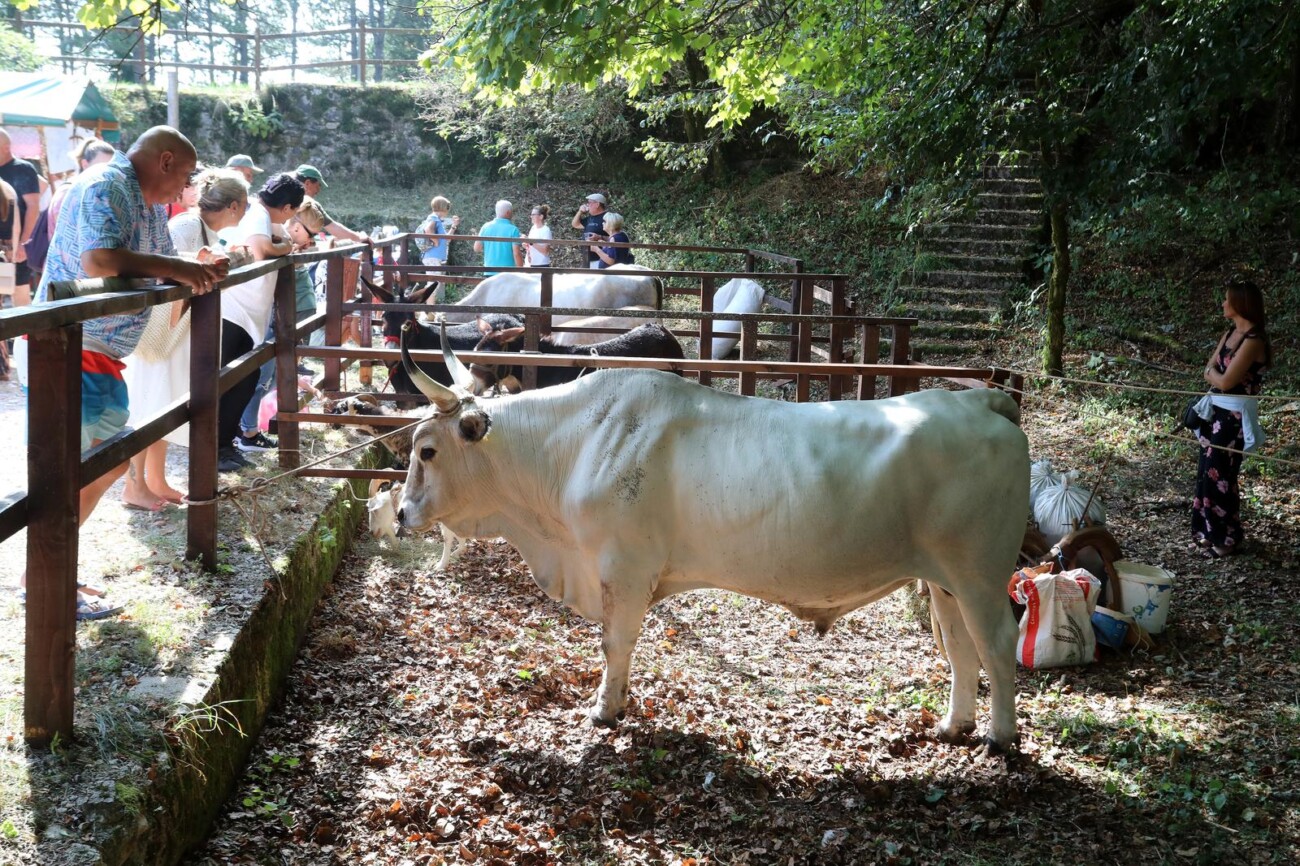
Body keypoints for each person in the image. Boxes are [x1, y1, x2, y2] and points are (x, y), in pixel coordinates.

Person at [28, 126, 226, 619]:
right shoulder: (106, 184)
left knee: (107, 462)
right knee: (71, 470)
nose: (185, 187)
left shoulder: (145, 200)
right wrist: (179, 270)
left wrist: (186, 262)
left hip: (99, 352)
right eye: (183, 174)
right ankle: (48, 580)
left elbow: (147, 263)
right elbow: (99, 260)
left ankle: (55, 568)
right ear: (163, 160)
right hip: (72, 348)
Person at [121, 169, 249, 509]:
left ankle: (156, 480)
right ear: (234, 206)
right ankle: (133, 486)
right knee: (148, 402)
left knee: (163, 400)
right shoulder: (187, 227)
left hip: (179, 328)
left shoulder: (204, 229)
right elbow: (167, 269)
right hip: (162, 329)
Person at [218, 172, 304, 469]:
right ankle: (217, 448)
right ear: (289, 208)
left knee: (242, 378)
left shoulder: (260, 216)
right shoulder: (258, 215)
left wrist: (281, 241)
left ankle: (224, 444)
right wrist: (286, 247)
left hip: (244, 312)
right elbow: (260, 250)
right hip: (234, 311)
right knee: (235, 380)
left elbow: (273, 241)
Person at [1191, 278, 1273, 558]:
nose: (1223, 303)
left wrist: (1215, 377)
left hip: (1233, 417)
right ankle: (1206, 531)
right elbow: (1209, 369)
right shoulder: (1229, 333)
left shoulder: (1254, 340)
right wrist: (1215, 377)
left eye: (1227, 299)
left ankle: (1225, 538)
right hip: (1214, 411)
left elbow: (1226, 381)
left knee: (1221, 475)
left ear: (1240, 304)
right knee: (1206, 472)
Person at [0, 128, 43, 306]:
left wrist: (24, 243)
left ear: (5, 147)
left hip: (16, 242)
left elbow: (33, 207)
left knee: (19, 290)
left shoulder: (23, 169)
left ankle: (24, 333)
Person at [292, 164, 368, 243]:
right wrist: (359, 238)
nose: (318, 190)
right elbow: (334, 228)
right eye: (318, 185)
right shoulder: (311, 206)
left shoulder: (284, 197)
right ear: (307, 183)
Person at [473, 199, 522, 275]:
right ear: (508, 212)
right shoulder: (513, 229)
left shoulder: (485, 227)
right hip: (507, 273)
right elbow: (517, 253)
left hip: (489, 271)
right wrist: (521, 270)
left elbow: (477, 248)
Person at [415, 195, 460, 268]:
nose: (448, 210)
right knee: (433, 279)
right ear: (442, 207)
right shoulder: (434, 218)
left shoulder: (436, 219)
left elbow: (447, 239)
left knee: (436, 279)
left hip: (436, 257)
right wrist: (436, 242)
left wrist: (454, 226)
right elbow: (428, 230)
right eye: (447, 207)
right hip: (433, 257)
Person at [571, 193, 608, 268]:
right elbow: (575, 224)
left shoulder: (607, 217)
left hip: (602, 259)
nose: (587, 205)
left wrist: (599, 237)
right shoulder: (590, 218)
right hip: (587, 259)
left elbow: (615, 236)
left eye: (589, 203)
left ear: (597, 204)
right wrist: (580, 211)